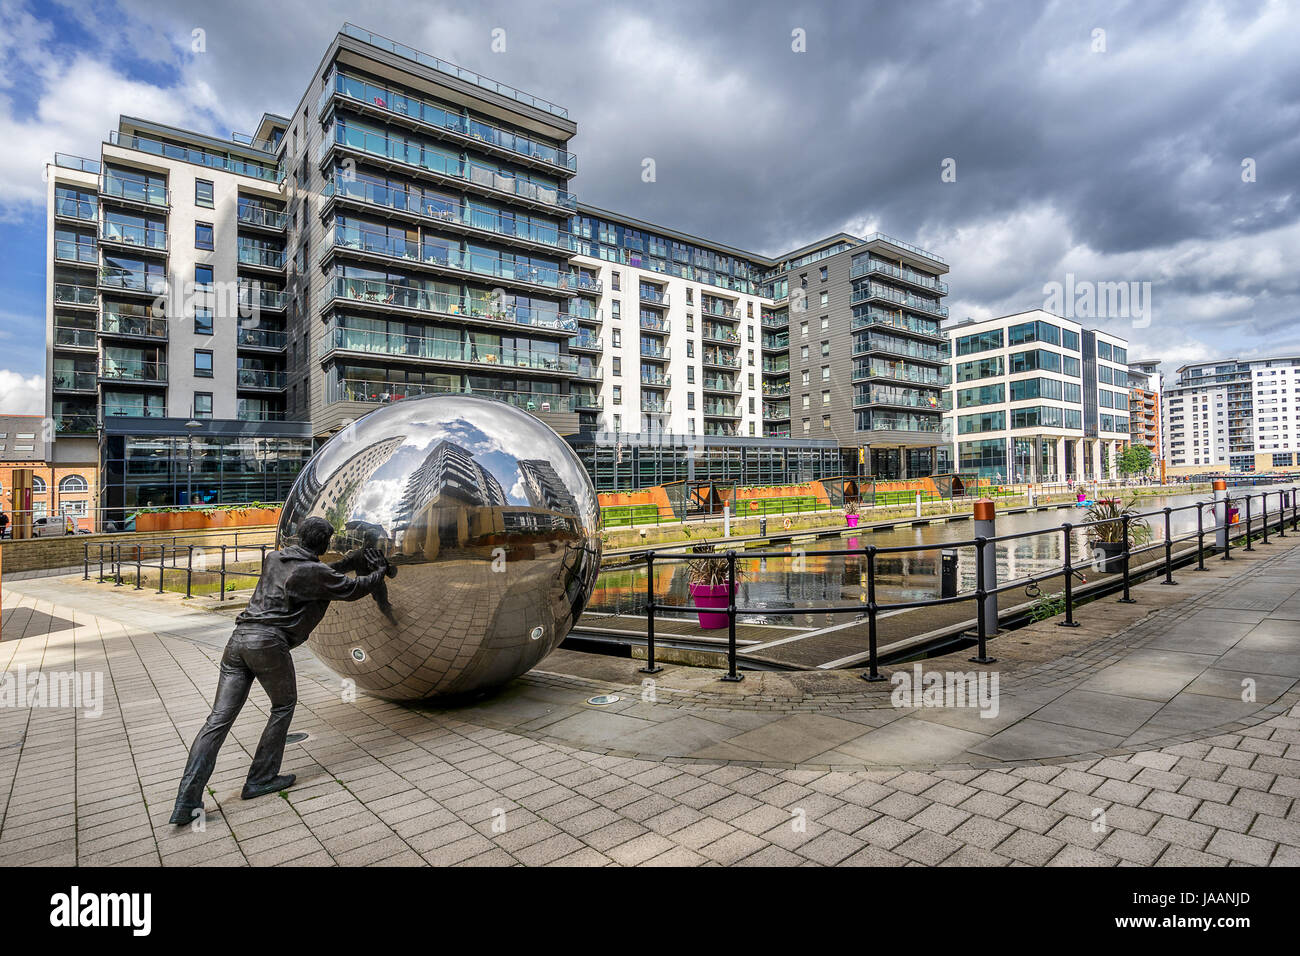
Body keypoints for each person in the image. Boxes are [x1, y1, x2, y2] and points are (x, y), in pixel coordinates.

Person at [169, 517, 396, 826]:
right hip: (268, 644)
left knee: (217, 720)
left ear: (300, 537)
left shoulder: (275, 558)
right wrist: (380, 570)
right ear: (324, 543)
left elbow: (316, 577)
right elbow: (352, 588)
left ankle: (187, 800)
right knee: (283, 705)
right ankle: (260, 778)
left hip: (238, 641)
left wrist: (349, 561)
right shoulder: (312, 572)